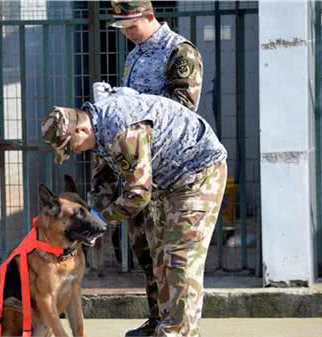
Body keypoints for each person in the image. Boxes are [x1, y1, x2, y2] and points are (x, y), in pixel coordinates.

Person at [41, 86, 227, 337]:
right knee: (159, 256)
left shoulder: (122, 131)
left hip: (198, 172)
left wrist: (101, 220)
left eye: (71, 146)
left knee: (180, 258)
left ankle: (178, 333)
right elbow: (103, 182)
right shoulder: (97, 130)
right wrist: (92, 216)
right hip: (167, 182)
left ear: (81, 130)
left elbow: (139, 194)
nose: (74, 151)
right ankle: (163, 324)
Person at [94, 1, 205, 335]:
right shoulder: (136, 53)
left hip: (168, 169)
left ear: (148, 15)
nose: (126, 34)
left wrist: (132, 102)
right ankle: (158, 318)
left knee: (168, 255)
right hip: (140, 168)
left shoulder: (179, 52)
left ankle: (175, 324)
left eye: (130, 25)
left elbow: (183, 111)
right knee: (146, 251)